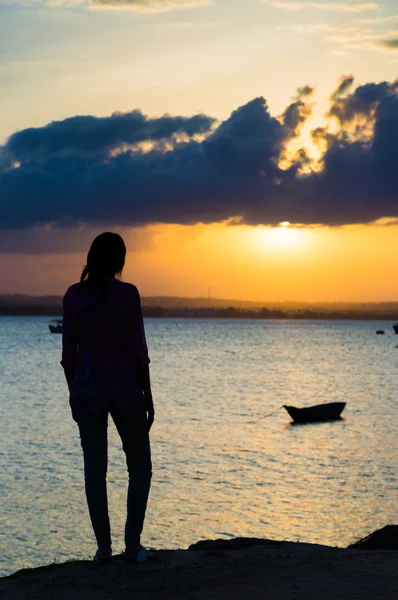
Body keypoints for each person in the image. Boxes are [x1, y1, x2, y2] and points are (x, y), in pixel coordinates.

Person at [61, 232, 154, 564]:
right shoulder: (128, 295)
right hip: (125, 389)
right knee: (140, 466)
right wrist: (149, 396)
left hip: (87, 389)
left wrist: (75, 390)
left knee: (94, 470)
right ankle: (132, 546)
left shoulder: (73, 296)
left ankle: (103, 550)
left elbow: (68, 356)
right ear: (119, 261)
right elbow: (138, 352)